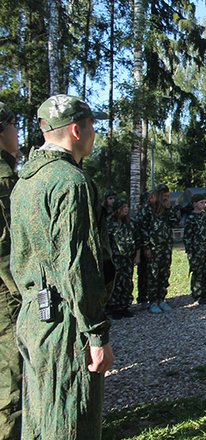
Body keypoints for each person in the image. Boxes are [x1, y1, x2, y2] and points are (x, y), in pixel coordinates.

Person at [10, 94, 114, 439]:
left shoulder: (25, 182)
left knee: (40, 423)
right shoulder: (71, 183)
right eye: (92, 126)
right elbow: (77, 265)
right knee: (72, 423)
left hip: (32, 319)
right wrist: (96, 335)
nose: (94, 134)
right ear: (76, 130)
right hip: (66, 325)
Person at [0, 101, 21, 439]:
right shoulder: (4, 176)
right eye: (15, 128)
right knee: (10, 373)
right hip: (5, 292)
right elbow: (6, 246)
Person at [139, 184, 180, 313]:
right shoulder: (148, 210)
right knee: (152, 274)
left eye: (168, 196)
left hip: (166, 247)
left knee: (164, 273)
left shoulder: (166, 210)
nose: (166, 199)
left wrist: (169, 208)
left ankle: (161, 299)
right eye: (164, 196)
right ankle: (152, 301)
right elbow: (142, 229)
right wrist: (146, 246)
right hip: (153, 247)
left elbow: (175, 222)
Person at [107, 199, 139, 319]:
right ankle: (114, 307)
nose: (126, 209)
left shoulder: (130, 223)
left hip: (128, 258)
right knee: (116, 282)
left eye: (127, 207)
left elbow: (137, 240)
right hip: (115, 258)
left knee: (127, 282)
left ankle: (125, 306)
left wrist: (137, 255)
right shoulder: (109, 223)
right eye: (123, 207)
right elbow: (105, 242)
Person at [184, 194, 206, 304]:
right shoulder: (191, 218)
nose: (204, 204)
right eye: (201, 202)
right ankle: (197, 295)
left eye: (204, 202)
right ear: (194, 204)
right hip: (196, 251)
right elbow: (187, 237)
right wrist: (190, 251)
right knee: (198, 273)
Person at [135, 190, 155, 305]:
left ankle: (147, 295)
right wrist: (146, 246)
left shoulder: (152, 210)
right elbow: (143, 231)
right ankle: (142, 297)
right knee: (143, 273)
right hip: (144, 247)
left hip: (150, 246)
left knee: (148, 273)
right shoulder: (144, 211)